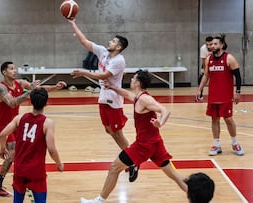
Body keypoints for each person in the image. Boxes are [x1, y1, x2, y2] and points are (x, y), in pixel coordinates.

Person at [80, 70, 188, 203]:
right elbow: (126, 94)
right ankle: (199, 199)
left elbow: (165, 110)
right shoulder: (139, 97)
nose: (131, 80)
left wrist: (160, 122)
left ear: (137, 83)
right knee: (174, 176)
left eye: (133, 78)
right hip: (156, 144)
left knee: (114, 168)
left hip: (144, 145)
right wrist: (112, 87)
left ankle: (99, 200)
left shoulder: (144, 99)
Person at [0, 61, 66, 197]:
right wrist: (29, 93)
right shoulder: (1, 88)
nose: (15, 71)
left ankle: (24, 180)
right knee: (13, 153)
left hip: (17, 123)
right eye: (11, 69)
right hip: (4, 124)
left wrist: (55, 87)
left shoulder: (20, 83)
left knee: (23, 151)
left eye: (15, 68)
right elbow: (12, 103)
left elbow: (38, 90)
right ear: (4, 72)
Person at [67, 18, 129, 151]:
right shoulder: (103, 52)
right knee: (109, 130)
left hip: (114, 98)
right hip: (103, 95)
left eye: (113, 41)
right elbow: (84, 41)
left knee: (117, 133)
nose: (109, 42)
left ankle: (132, 158)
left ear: (118, 47)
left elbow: (103, 75)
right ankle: (128, 154)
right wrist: (73, 24)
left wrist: (84, 73)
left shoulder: (119, 61)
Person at [0, 88, 64, 203]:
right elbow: (51, 149)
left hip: (20, 168)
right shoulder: (47, 123)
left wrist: (2, 148)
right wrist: (59, 163)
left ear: (30, 102)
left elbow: (3, 134)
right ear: (46, 103)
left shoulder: (19, 118)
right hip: (36, 170)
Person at [196, 34, 245, 156]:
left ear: (222, 45)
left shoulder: (229, 58)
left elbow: (238, 76)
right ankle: (216, 145)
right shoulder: (209, 59)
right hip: (213, 95)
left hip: (226, 96)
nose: (212, 46)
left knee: (228, 119)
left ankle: (235, 143)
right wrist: (200, 89)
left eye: (215, 44)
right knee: (214, 119)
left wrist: (237, 92)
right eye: (211, 44)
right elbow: (206, 76)